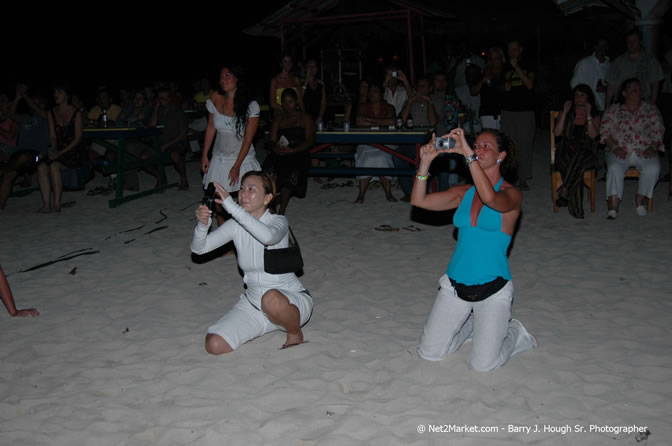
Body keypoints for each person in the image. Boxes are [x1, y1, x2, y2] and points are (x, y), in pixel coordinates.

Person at [412, 128, 536, 372]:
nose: (478, 149)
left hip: (493, 288)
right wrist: (425, 163)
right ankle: (470, 325)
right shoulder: (464, 193)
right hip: (455, 286)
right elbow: (419, 201)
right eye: (476, 145)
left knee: (482, 365)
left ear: (501, 155)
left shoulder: (511, 195)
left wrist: (467, 154)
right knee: (430, 353)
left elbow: (490, 198)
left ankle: (515, 332)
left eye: (485, 146)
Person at [190, 172, 313, 354]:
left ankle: (294, 333)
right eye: (241, 189)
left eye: (251, 189)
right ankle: (268, 324)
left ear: (267, 198)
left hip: (290, 302)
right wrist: (202, 225)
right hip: (254, 305)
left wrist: (231, 206)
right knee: (214, 344)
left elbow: (268, 237)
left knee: (271, 298)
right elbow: (199, 249)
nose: (243, 194)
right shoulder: (235, 225)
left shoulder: (278, 222)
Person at [202, 66, 261, 224]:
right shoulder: (215, 97)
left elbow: (248, 139)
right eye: (221, 77)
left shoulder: (251, 105)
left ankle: (252, 231)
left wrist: (236, 166)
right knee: (219, 200)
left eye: (227, 76)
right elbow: (211, 127)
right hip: (219, 157)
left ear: (238, 79)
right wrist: (204, 155)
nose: (223, 81)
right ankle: (225, 238)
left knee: (248, 199)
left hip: (242, 158)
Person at [600, 78, 664, 219]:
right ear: (624, 93)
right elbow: (605, 132)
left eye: (639, 89)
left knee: (653, 168)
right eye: (633, 90)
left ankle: (639, 200)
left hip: (644, 149)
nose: (638, 92)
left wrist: (652, 147)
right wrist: (615, 147)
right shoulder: (614, 110)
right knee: (614, 168)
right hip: (619, 148)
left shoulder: (650, 109)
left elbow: (659, 130)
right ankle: (613, 205)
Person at [263, 88, 315, 215]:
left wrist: (293, 150)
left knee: (289, 173)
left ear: (296, 102)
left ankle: (281, 210)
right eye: (284, 102)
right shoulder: (279, 119)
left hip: (299, 153)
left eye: (290, 101)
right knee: (267, 171)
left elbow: (310, 141)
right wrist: (276, 148)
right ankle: (271, 206)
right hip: (281, 153)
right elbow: (271, 140)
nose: (287, 105)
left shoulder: (305, 118)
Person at [553, 84, 601, 219]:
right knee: (576, 168)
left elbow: (593, 136)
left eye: (582, 95)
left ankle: (564, 191)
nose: (578, 98)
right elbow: (556, 133)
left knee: (579, 158)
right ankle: (576, 210)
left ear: (588, 98)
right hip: (565, 152)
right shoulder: (567, 111)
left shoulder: (595, 114)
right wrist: (564, 113)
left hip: (587, 153)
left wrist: (589, 115)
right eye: (576, 95)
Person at [0, 84, 50, 210]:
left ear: (42, 105)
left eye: (36, 102)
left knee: (22, 157)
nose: (31, 104)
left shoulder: (46, 116)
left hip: (39, 156)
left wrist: (24, 95)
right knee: (9, 176)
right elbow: (10, 114)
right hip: (20, 155)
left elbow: (35, 108)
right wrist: (17, 97)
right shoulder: (25, 118)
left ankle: (4, 169)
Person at [37, 84, 84, 213]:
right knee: (41, 166)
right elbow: (52, 136)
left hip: (73, 151)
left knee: (54, 166)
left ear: (67, 95)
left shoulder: (76, 113)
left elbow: (78, 139)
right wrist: (55, 150)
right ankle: (46, 204)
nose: (55, 94)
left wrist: (60, 153)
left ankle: (57, 204)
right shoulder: (51, 113)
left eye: (59, 92)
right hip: (58, 150)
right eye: (54, 92)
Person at [501, 39, 536, 190]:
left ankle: (523, 178)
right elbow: (500, 86)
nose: (512, 52)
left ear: (520, 49)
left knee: (525, 144)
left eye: (515, 49)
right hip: (508, 110)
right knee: (510, 145)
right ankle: (510, 177)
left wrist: (517, 68)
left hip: (525, 110)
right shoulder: (504, 67)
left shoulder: (528, 64)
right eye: (509, 49)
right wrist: (504, 87)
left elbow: (529, 84)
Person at [354, 83, 397, 203]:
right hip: (367, 141)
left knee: (382, 157)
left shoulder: (389, 107)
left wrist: (370, 121)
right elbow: (359, 121)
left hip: (385, 142)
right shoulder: (362, 107)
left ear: (381, 94)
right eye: (370, 91)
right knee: (367, 158)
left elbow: (392, 121)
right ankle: (361, 194)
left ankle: (388, 193)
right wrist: (382, 123)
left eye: (375, 91)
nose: (371, 94)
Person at [605, 28, 664, 107]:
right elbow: (610, 86)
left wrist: (652, 104)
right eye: (628, 41)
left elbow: (655, 85)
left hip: (642, 102)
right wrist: (607, 106)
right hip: (621, 103)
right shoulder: (618, 62)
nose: (631, 43)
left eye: (634, 41)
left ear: (640, 42)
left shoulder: (651, 61)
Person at [150, 87, 189, 190]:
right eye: (159, 98)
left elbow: (183, 134)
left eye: (164, 98)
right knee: (144, 157)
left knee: (175, 155)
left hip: (177, 142)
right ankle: (160, 177)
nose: (161, 100)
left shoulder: (177, 110)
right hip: (162, 142)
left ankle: (183, 177)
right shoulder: (159, 110)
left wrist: (167, 145)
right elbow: (152, 125)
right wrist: (155, 109)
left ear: (170, 98)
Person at [570, 37, 611, 113]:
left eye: (603, 45)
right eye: (599, 45)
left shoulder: (611, 66)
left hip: (605, 108)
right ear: (595, 47)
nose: (601, 48)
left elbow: (614, 87)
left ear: (607, 48)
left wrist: (606, 88)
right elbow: (574, 85)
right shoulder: (584, 63)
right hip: (586, 108)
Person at [471, 47, 506, 130]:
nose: (494, 61)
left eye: (496, 58)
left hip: (505, 113)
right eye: (492, 58)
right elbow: (473, 92)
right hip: (487, 114)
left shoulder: (507, 72)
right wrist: (483, 80)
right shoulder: (483, 73)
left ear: (501, 58)